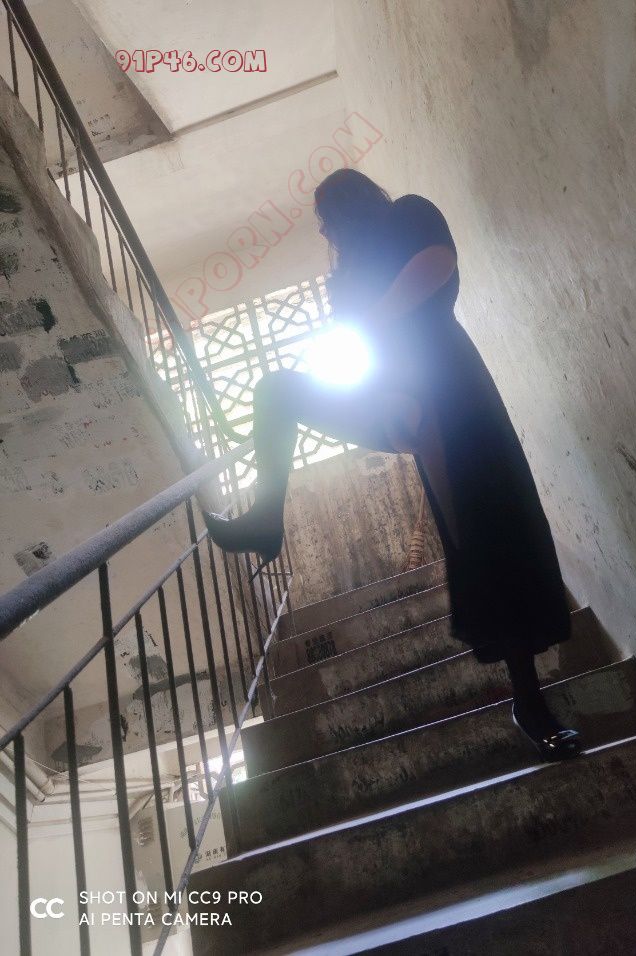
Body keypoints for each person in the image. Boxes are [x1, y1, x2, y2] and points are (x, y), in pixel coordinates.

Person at [204, 168, 581, 761]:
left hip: (451, 386)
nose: (324, 230)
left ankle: (529, 702)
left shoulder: (410, 213)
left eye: (328, 216)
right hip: (392, 399)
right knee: (275, 391)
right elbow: (360, 350)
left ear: (354, 203)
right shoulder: (344, 278)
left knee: (481, 536)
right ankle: (266, 519)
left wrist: (376, 333)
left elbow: (437, 264)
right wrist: (388, 393)